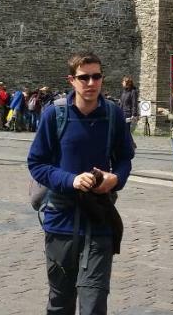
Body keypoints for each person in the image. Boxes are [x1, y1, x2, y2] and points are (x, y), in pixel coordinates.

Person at [27, 52, 135, 315]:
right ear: (72, 80)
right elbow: (37, 163)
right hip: (60, 220)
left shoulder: (113, 115)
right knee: (60, 302)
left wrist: (115, 178)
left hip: (99, 219)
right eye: (84, 77)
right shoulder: (55, 115)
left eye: (96, 76)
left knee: (94, 301)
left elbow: (124, 158)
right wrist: (71, 179)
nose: (91, 82)